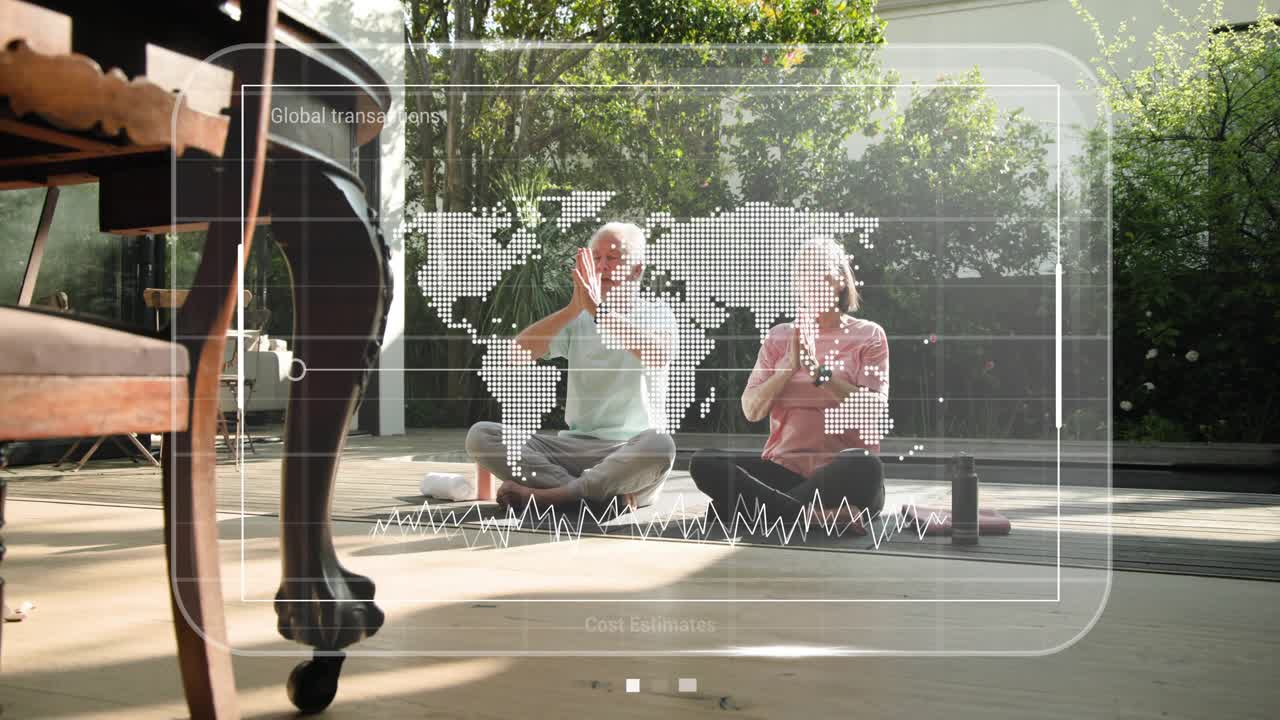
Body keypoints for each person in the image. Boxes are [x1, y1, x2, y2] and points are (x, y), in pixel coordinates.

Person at [466, 222, 677, 513]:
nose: (602, 266)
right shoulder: (577, 319)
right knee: (482, 436)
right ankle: (591, 497)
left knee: (660, 446)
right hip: (572, 450)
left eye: (613, 258)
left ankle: (548, 496)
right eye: (596, 258)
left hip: (628, 452)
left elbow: (658, 354)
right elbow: (515, 353)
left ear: (637, 270)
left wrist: (599, 312)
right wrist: (573, 309)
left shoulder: (657, 313)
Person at [689, 236, 889, 530]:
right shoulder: (779, 337)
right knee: (705, 462)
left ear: (841, 280)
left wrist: (818, 372)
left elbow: (874, 409)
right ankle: (809, 516)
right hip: (782, 470)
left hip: (842, 473)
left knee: (865, 465)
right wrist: (786, 369)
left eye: (819, 271)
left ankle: (753, 508)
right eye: (803, 274)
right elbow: (751, 410)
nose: (810, 281)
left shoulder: (869, 335)